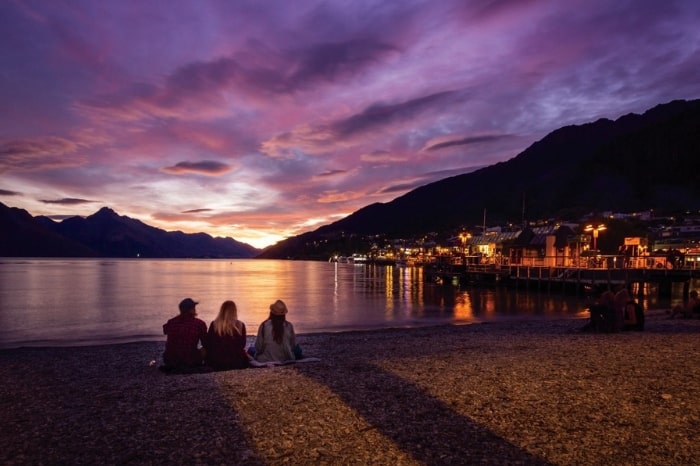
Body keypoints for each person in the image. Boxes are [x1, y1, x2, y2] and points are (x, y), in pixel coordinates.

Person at [162, 298, 207, 372]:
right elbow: (205, 342)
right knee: (204, 350)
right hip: (190, 360)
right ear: (191, 310)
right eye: (194, 308)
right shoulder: (199, 324)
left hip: (170, 360)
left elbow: (165, 331)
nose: (195, 309)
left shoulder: (171, 322)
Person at [204, 300, 250, 370]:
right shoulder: (240, 325)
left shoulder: (214, 324)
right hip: (236, 362)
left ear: (221, 311)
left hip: (217, 362)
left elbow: (209, 343)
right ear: (234, 311)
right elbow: (242, 344)